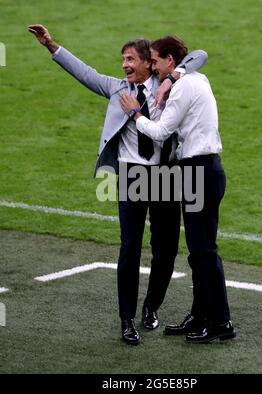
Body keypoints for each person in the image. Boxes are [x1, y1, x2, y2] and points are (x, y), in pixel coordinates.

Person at [28, 25, 208, 345]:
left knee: (165, 249)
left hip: (167, 175)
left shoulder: (169, 85)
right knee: (130, 247)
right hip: (133, 176)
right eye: (122, 59)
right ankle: (127, 319)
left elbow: (200, 56)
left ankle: (151, 308)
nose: (124, 65)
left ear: (148, 63)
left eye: (130, 59)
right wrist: (50, 45)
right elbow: (84, 72)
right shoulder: (116, 89)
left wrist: (173, 75)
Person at [120, 35, 236, 344]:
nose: (154, 67)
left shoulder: (182, 86)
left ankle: (219, 322)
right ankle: (200, 317)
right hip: (205, 169)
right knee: (200, 252)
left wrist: (135, 113)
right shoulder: (195, 77)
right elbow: (199, 55)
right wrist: (173, 76)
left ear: (170, 60)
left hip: (198, 170)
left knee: (204, 252)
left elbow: (160, 132)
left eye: (156, 61)